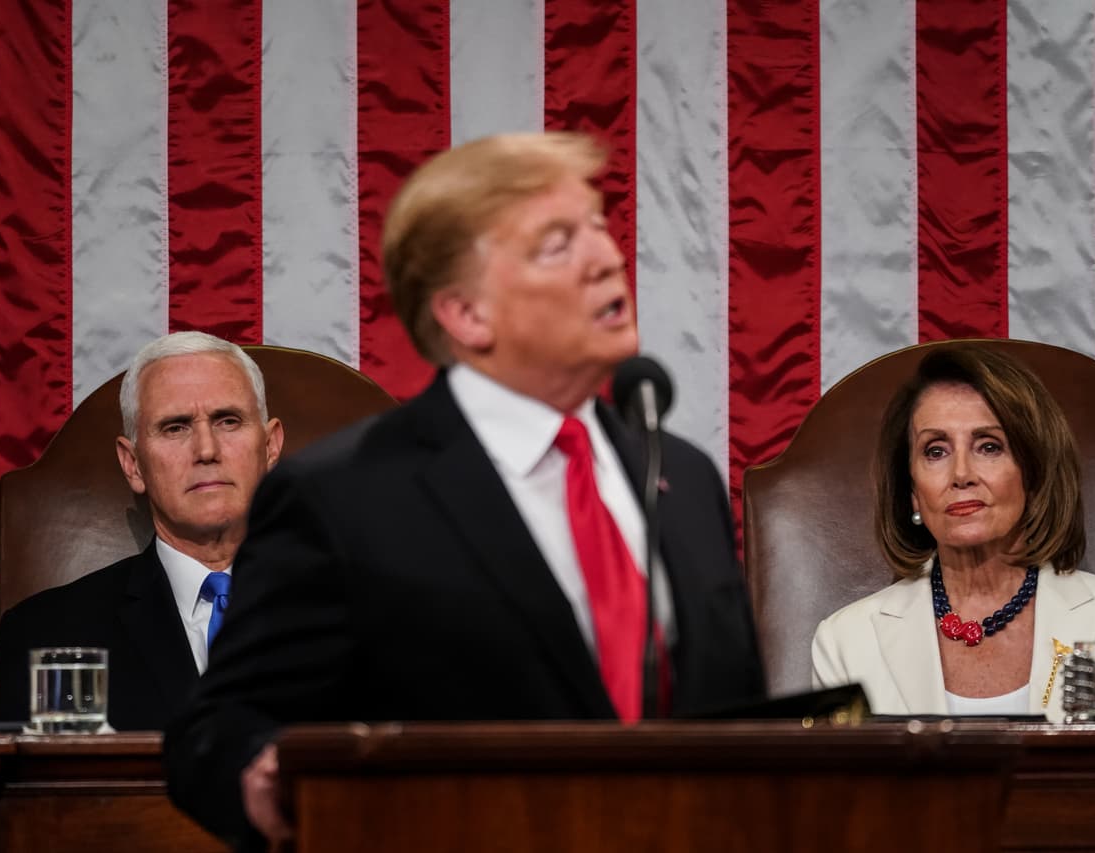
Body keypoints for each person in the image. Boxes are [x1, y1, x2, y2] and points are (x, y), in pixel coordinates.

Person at [165, 132, 766, 848]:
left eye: (600, 228)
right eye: (557, 243)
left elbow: (736, 721)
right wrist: (264, 774)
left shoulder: (684, 476)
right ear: (465, 313)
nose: (607, 258)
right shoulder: (343, 497)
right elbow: (217, 731)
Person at [811, 345, 1095, 721]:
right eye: (935, 451)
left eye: (989, 446)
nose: (962, 474)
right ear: (913, 492)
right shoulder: (845, 643)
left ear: (1033, 474)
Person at [0, 332, 285, 730]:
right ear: (133, 465)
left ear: (269, 447)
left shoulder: (359, 611)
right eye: (175, 428)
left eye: (228, 421)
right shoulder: (46, 634)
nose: (207, 449)